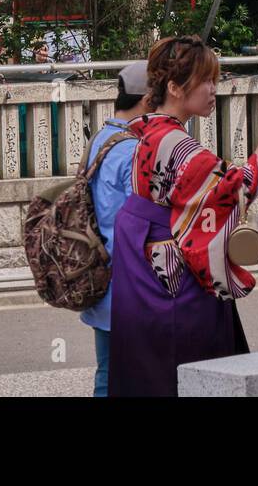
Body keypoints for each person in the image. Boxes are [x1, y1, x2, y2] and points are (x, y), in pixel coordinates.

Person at [108, 35, 258, 398]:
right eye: (205, 80)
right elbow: (242, 187)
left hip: (142, 260)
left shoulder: (148, 131)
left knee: (145, 370)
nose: (212, 90)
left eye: (214, 80)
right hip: (173, 276)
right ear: (174, 87)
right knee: (190, 371)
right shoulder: (179, 145)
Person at [80, 61, 152, 399]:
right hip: (129, 285)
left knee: (107, 373)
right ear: (148, 99)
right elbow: (138, 222)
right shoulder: (132, 149)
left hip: (100, 277)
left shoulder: (102, 138)